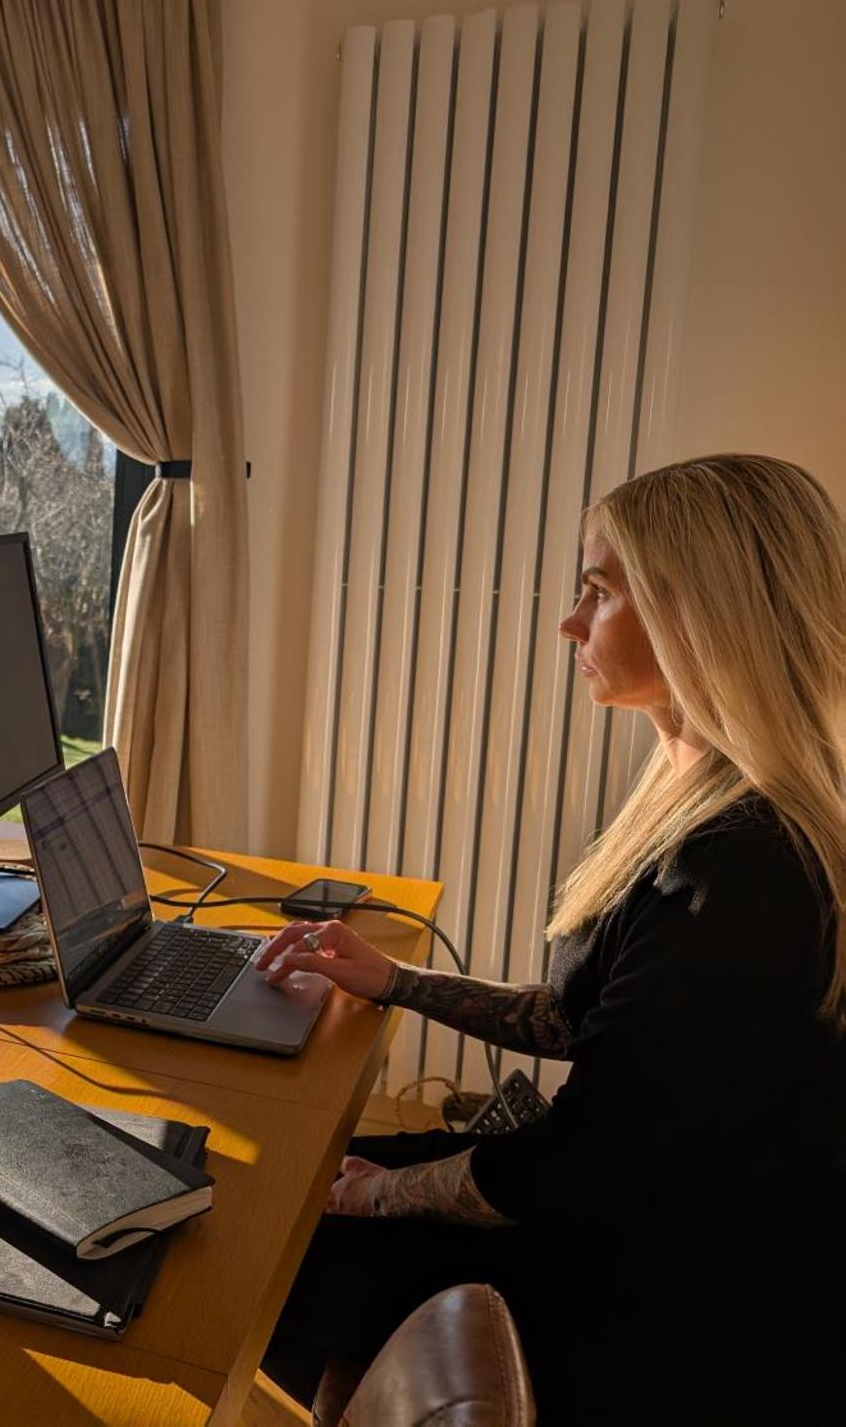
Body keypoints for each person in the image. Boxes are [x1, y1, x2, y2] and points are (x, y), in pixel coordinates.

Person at [256, 455, 846, 1424]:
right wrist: (396, 979)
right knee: (311, 1164)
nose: (570, 621)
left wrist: (384, 1194)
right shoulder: (703, 796)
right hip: (647, 1203)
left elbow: (582, 1162)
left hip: (685, 1300)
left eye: (599, 590)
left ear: (706, 616)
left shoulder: (743, 871)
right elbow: (587, 1023)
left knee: (291, 1220)